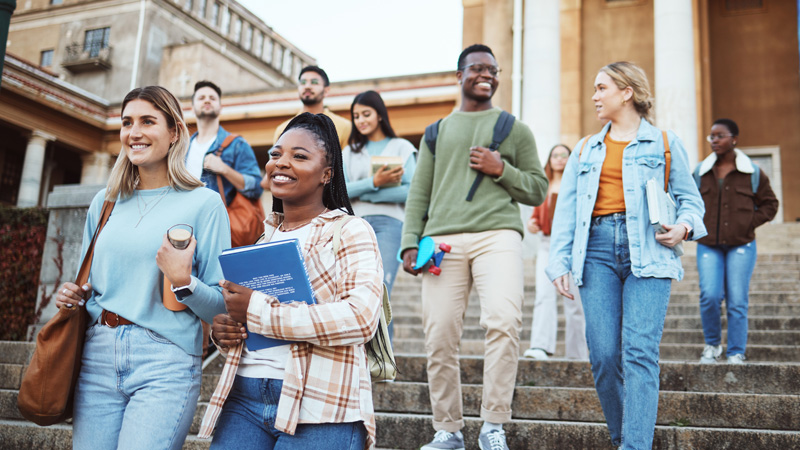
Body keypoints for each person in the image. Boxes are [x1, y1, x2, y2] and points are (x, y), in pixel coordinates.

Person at [55, 86, 230, 450]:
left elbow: (222, 306)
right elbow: (89, 284)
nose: (133, 133)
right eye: (126, 123)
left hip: (165, 358)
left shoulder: (205, 204)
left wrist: (183, 281)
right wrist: (74, 295)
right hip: (97, 354)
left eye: (148, 121)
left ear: (175, 133)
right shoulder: (104, 203)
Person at [198, 113, 384, 450]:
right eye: (275, 154)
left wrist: (257, 310)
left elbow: (361, 319)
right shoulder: (262, 239)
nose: (281, 163)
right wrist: (226, 330)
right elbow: (249, 321)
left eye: (299, 156)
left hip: (322, 403)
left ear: (327, 174)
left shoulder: (350, 231)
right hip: (244, 400)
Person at [547, 61, 707, 449]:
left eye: (602, 88)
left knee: (639, 353)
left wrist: (683, 227)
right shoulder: (585, 148)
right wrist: (559, 263)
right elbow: (566, 211)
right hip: (596, 251)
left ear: (626, 92)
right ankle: (624, 436)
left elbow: (691, 201)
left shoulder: (665, 143)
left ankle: (635, 445)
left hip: (649, 250)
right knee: (603, 355)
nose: (595, 96)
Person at [401, 44, 548, 450]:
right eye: (477, 68)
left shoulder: (514, 129)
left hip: (497, 234)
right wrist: (410, 243)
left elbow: (538, 189)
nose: (487, 75)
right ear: (459, 75)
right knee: (439, 335)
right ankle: (447, 429)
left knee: (503, 319)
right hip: (443, 241)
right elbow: (419, 192)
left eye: (493, 69)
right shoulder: (436, 130)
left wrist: (502, 169)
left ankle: (493, 425)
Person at [694, 118, 778, 365]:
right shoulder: (700, 171)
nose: (714, 140)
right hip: (709, 244)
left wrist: (749, 222)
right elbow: (687, 199)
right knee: (709, 295)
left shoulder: (752, 172)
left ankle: (735, 351)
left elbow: (770, 204)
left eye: (720, 135)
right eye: (711, 136)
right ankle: (712, 346)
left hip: (742, 244)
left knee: (737, 299)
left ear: (734, 139)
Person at [342, 90, 417, 342]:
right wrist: (374, 182)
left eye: (366, 114)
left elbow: (412, 191)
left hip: (391, 225)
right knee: (356, 290)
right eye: (356, 116)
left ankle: (385, 358)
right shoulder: (349, 152)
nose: (361, 120)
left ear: (379, 115)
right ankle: (363, 356)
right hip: (354, 226)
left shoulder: (402, 147)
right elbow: (339, 191)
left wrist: (370, 195)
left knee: (381, 289)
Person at [523, 144, 589, 361]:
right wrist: (533, 223)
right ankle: (540, 346)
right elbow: (536, 215)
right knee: (543, 295)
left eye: (564, 155)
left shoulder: (578, 184)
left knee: (574, 301)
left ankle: (577, 353)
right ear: (549, 159)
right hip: (546, 244)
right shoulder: (544, 185)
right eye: (555, 155)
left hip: (572, 246)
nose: (559, 159)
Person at [188, 80, 263, 204]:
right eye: (201, 98)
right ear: (192, 108)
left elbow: (256, 188)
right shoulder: (182, 148)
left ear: (220, 108)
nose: (207, 100)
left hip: (218, 220)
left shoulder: (237, 144)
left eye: (212, 98)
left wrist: (224, 169)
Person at [273, 66, 351, 152]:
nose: (307, 86)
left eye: (314, 82)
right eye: (303, 82)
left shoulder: (344, 127)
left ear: (326, 90)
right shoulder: (283, 129)